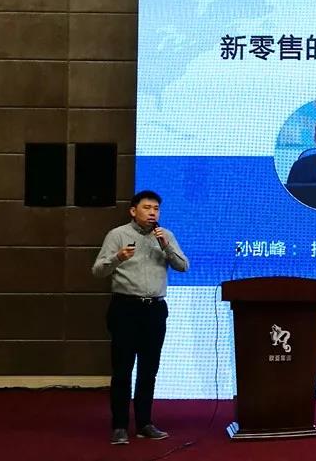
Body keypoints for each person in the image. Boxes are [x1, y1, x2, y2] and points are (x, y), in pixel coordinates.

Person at [91, 190, 189, 445]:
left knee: (149, 370)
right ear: (133, 211)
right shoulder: (117, 235)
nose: (152, 212)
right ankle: (120, 426)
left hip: (154, 310)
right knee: (122, 370)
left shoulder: (165, 236)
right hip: (125, 309)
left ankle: (145, 423)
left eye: (156, 208)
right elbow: (98, 270)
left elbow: (183, 266)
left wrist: (166, 246)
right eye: (147, 208)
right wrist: (117, 258)